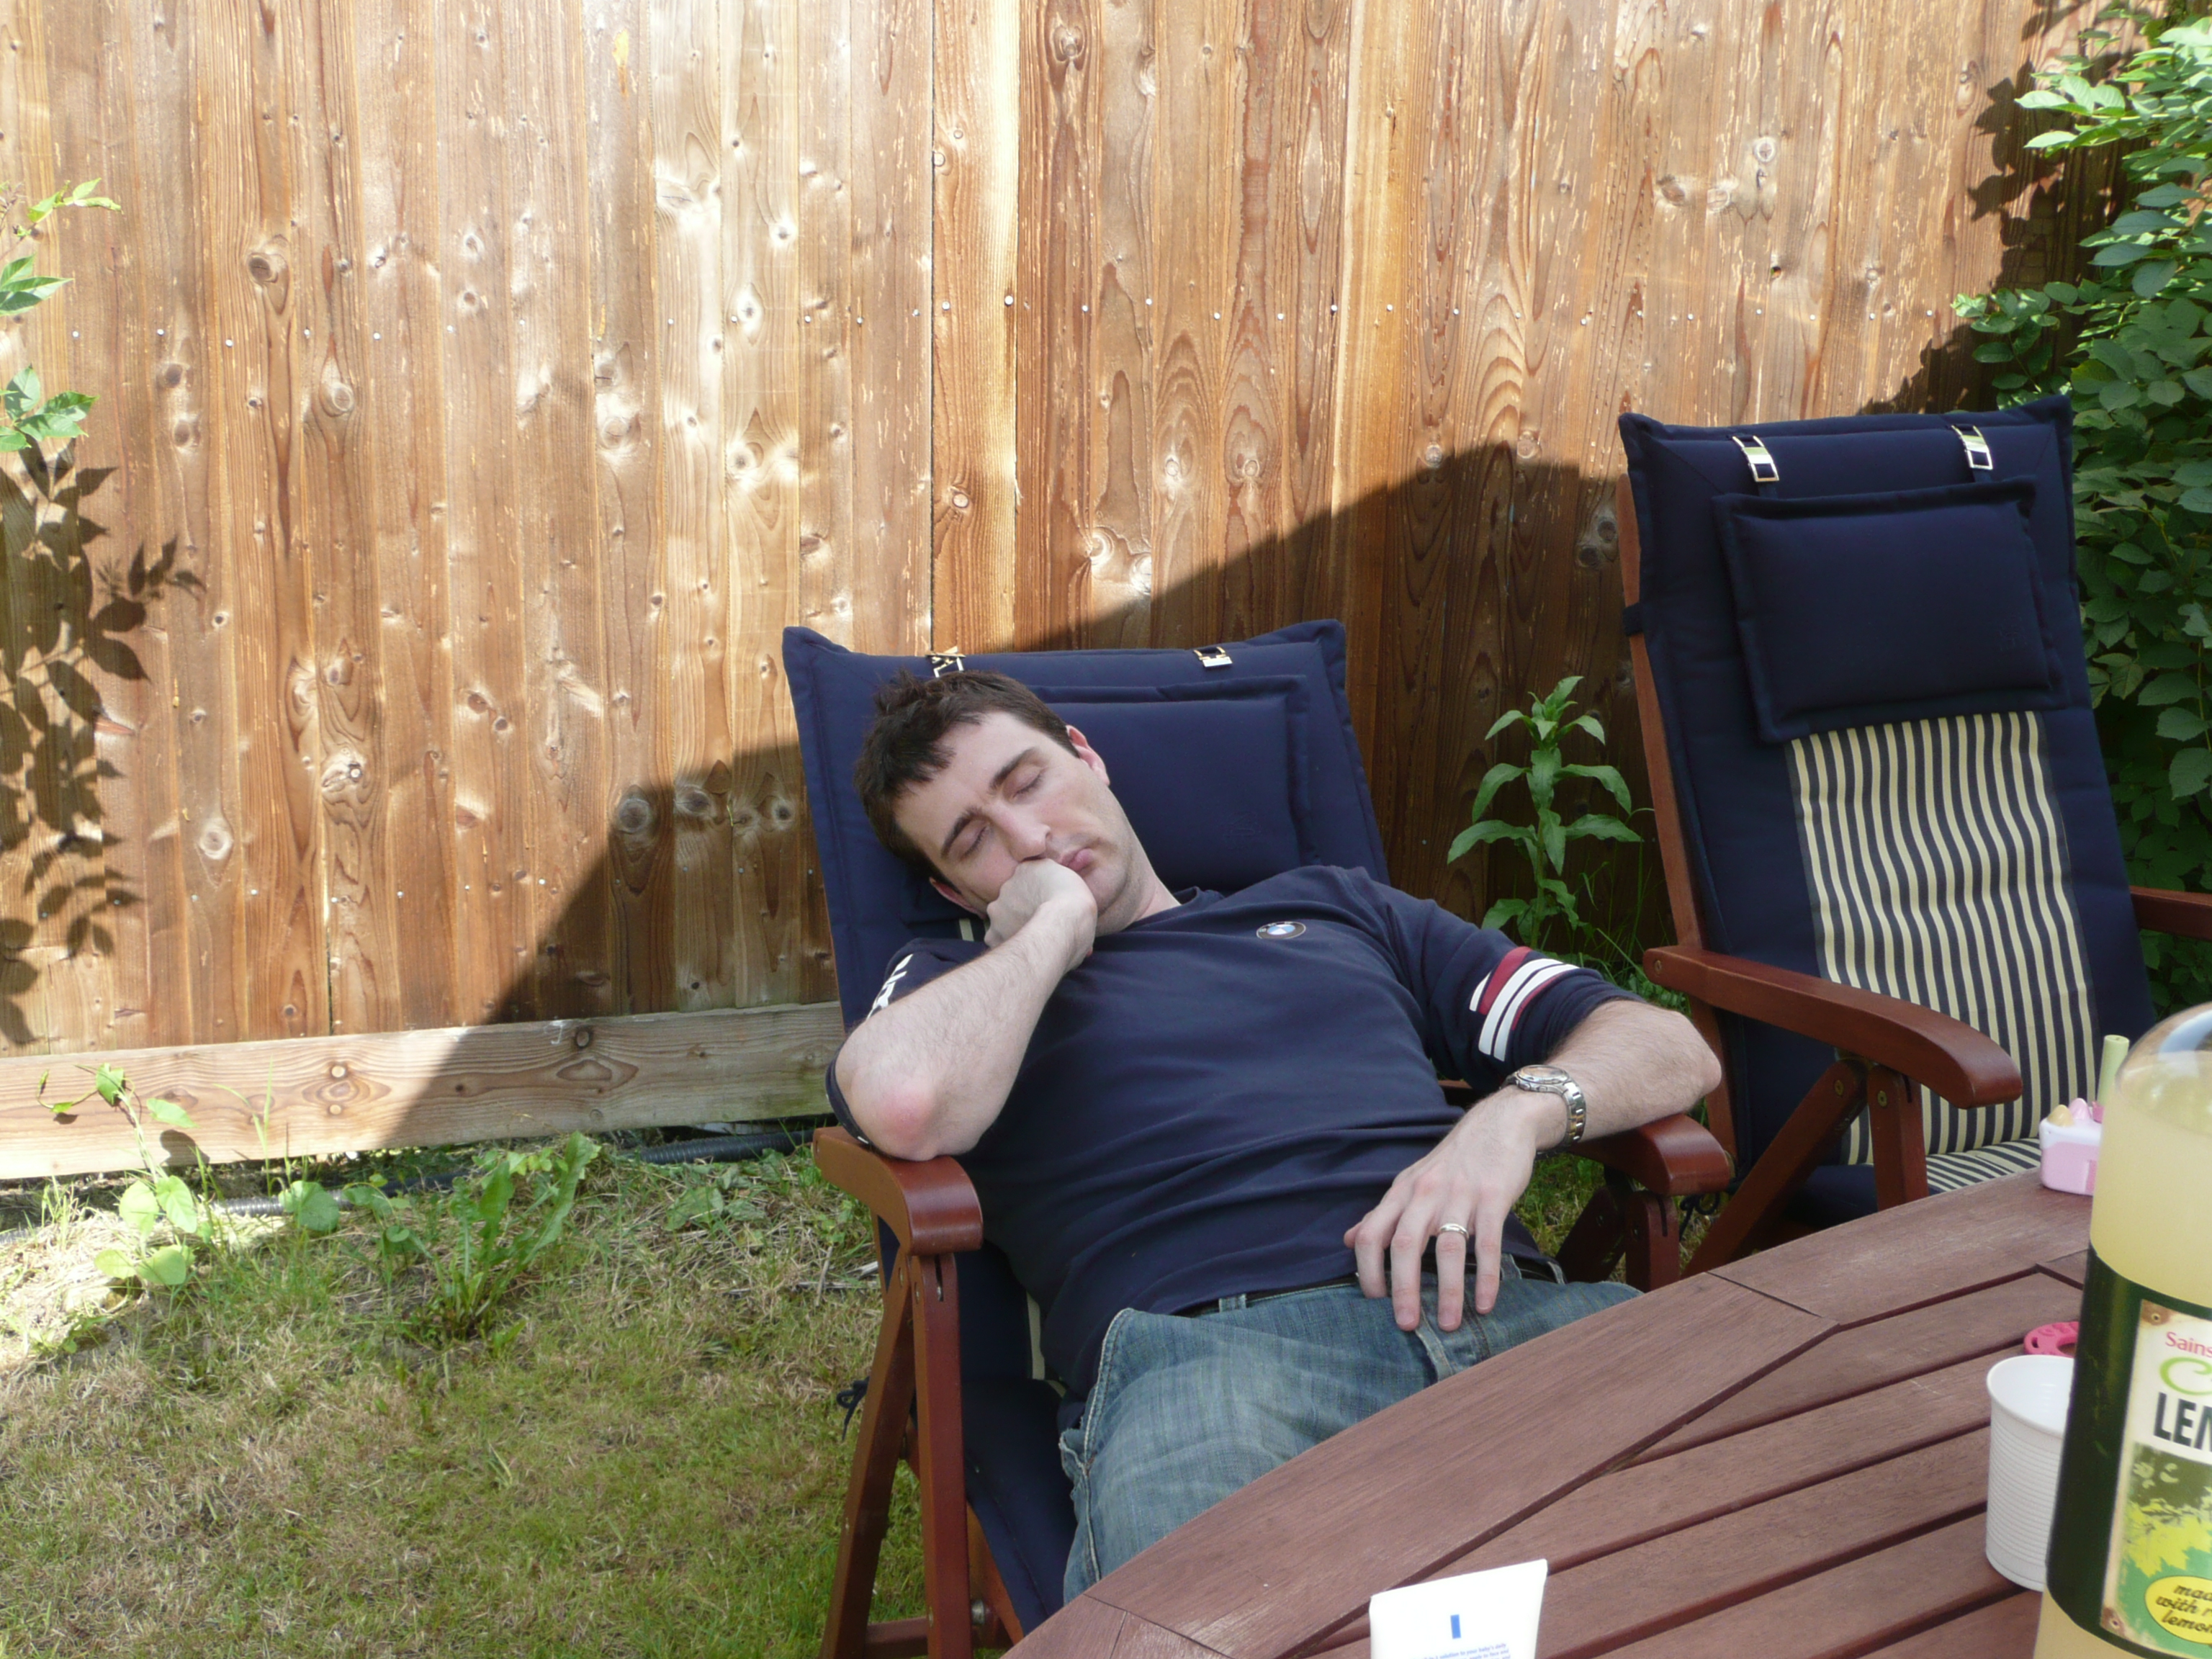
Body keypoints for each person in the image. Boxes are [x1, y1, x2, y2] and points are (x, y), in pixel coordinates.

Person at [827, 670, 1720, 1600]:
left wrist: (1518, 1112)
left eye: (1027, 782)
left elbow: (1669, 1047)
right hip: (1218, 1372)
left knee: (1769, 1525)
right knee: (1201, 1618)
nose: (1028, 837)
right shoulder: (956, 989)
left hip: (1509, 1315)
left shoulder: (1340, 909)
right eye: (974, 841)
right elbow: (903, 1103)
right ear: (952, 888)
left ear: (1087, 756)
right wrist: (1052, 924)